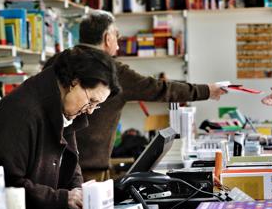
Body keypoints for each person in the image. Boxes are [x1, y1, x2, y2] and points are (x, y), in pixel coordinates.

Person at [48, 10, 227, 181]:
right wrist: (207, 90)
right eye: (116, 37)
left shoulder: (56, 61)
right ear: (107, 38)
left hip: (50, 165)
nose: (118, 44)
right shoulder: (112, 70)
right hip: (89, 170)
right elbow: (159, 89)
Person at [0, 46, 120, 209]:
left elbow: (71, 162)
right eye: (91, 101)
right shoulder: (21, 113)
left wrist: (79, 191)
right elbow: (7, 184)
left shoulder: (65, 109)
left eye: (97, 106)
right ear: (74, 82)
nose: (89, 110)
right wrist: (64, 198)